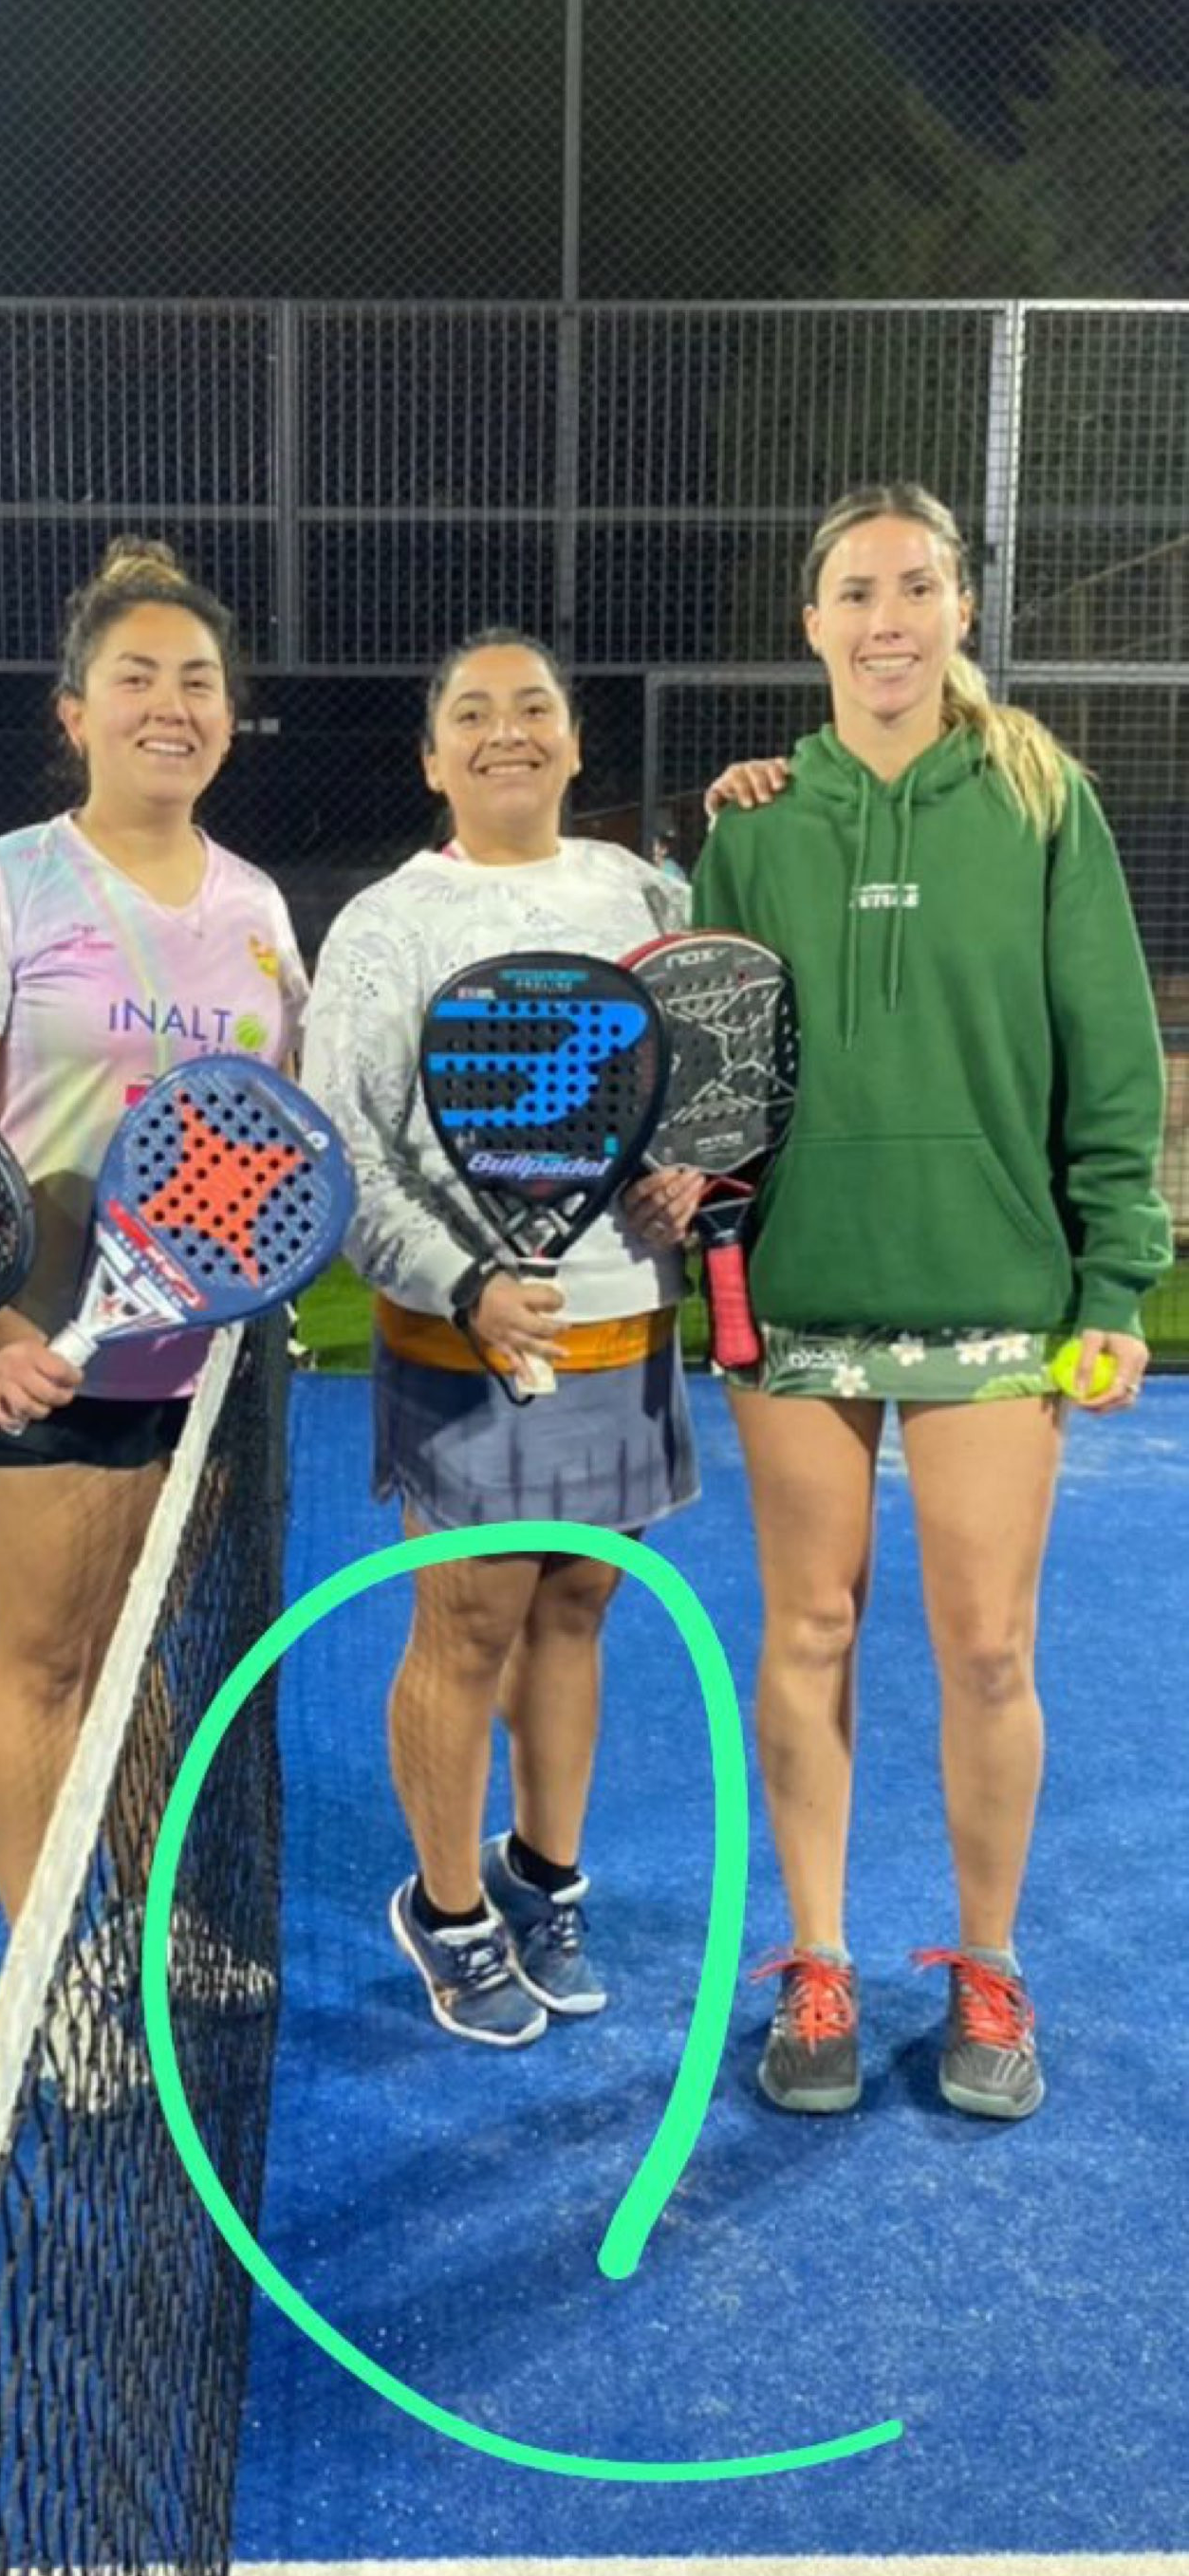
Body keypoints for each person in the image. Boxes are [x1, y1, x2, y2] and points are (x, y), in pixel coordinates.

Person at [695, 488, 1168, 2118]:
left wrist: (1116, 1277)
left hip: (995, 1297)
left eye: (915, 586)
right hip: (797, 1297)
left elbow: (1111, 1058)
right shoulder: (751, 825)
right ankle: (819, 1961)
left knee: (986, 1645)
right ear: (812, 623)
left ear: (962, 607)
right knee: (810, 1626)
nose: (885, 618)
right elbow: (714, 1082)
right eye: (855, 591)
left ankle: (989, 1963)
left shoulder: (1040, 796)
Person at [302, 630, 699, 2044]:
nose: (507, 731)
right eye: (472, 713)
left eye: (535, 707)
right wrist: (464, 1282)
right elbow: (347, 1149)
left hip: (620, 1315)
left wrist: (687, 1174)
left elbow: (692, 1089)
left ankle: (542, 1873)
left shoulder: (647, 894)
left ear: (576, 744)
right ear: (432, 759)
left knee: (579, 1603)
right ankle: (448, 1904)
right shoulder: (385, 925)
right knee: (467, 1621)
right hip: (460, 1336)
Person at [0, 538, 307, 1920]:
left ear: (228, 716)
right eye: (135, 677)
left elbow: (275, 1131)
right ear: (74, 711)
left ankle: (137, 1938)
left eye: (197, 679)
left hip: (206, 1364)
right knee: (50, 1661)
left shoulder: (257, 905)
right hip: (47, 1354)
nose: (170, 705)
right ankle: (48, 1978)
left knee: (147, 1658)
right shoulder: (4, 878)